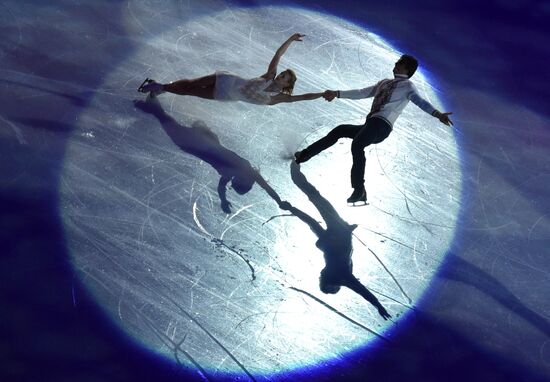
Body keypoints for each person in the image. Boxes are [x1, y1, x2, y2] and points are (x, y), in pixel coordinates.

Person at [294, 55, 453, 204]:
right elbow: (362, 92)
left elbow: (420, 101)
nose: (395, 64)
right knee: (341, 130)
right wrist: (337, 93)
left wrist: (437, 114)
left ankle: (359, 189)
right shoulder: (383, 82)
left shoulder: (408, 86)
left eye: (399, 63)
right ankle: (305, 155)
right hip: (371, 124)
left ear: (407, 69)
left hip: (381, 126)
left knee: (357, 144)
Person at [134, 94, 288, 214]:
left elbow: (222, 187)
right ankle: (148, 101)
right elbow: (266, 187)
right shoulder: (246, 169)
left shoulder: (232, 174)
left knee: (164, 119)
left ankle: (151, 101)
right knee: (163, 118)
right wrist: (279, 201)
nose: (235, 180)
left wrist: (223, 200)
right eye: (239, 182)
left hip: (197, 143)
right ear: (246, 181)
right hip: (197, 142)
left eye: (235, 182)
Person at [280, 162, 392, 320]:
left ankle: (296, 172)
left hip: (338, 232)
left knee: (314, 196)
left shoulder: (332, 263)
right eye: (321, 278)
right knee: (314, 196)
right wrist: (378, 305)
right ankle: (296, 167)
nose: (319, 274)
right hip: (338, 228)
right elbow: (363, 291)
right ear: (328, 278)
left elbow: (312, 224)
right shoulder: (343, 276)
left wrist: (292, 208)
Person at [138, 33, 324, 106]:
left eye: (284, 77)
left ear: (287, 84)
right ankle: (160, 86)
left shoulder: (277, 98)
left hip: (226, 95)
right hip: (228, 80)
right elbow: (278, 55)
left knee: (191, 92)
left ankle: (161, 87)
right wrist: (290, 40)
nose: (280, 75)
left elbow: (302, 97)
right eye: (282, 73)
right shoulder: (270, 75)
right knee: (191, 84)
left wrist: (323, 93)